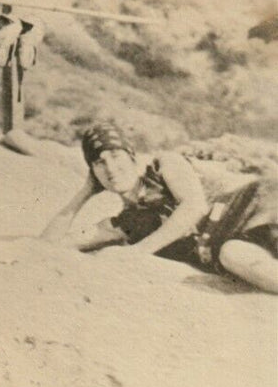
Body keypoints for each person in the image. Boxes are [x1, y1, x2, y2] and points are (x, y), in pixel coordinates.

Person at [41, 119, 278, 293]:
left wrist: (138, 252)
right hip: (239, 242)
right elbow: (49, 244)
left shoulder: (165, 165)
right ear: (93, 173)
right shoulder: (125, 223)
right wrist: (85, 192)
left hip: (262, 205)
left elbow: (193, 207)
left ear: (131, 156)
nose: (110, 169)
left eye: (115, 156)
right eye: (99, 163)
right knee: (233, 255)